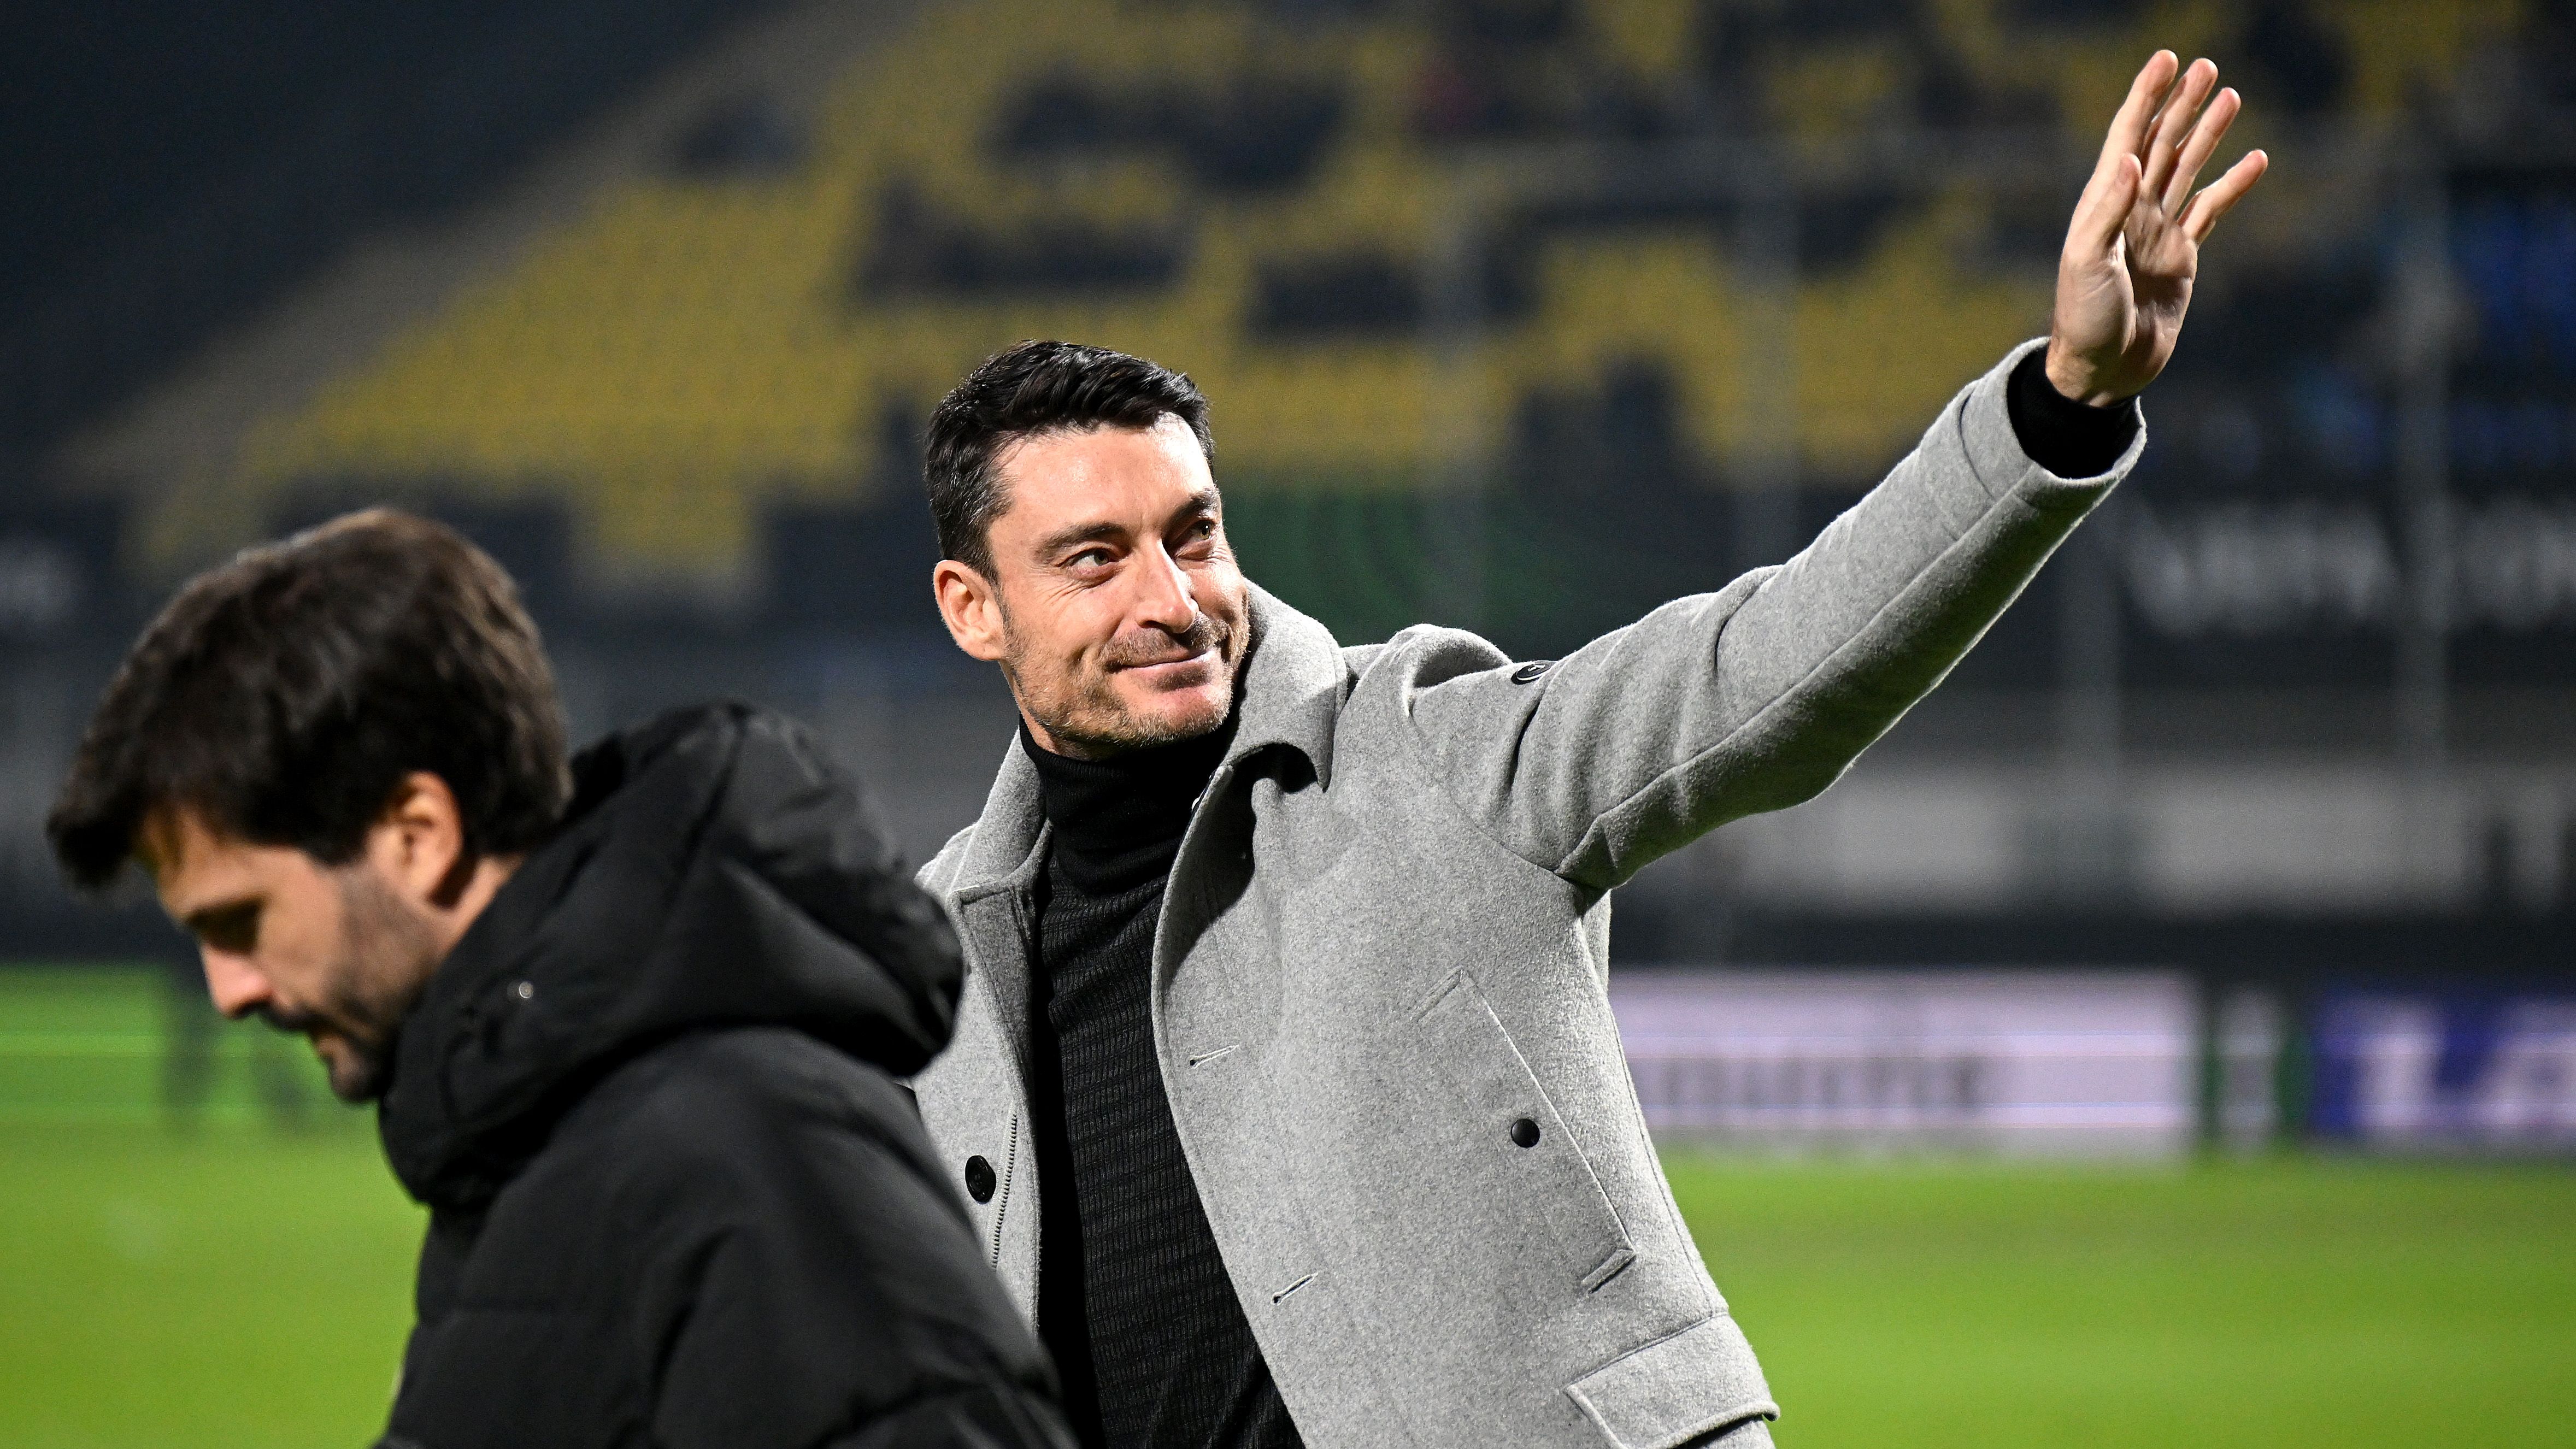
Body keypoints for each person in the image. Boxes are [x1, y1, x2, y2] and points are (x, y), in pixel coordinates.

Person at [907, 51, 2266, 1449]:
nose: (1173, 599)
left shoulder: (1425, 757)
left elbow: (1765, 668)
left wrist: (2060, 402)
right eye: (1094, 559)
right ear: (972, 608)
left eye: (1193, 535)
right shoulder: (931, 969)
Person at [45, 510, 1075, 1449]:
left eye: (241, 922)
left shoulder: (737, 1150)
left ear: (416, 836)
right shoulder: (545, 1130)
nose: (227, 988)